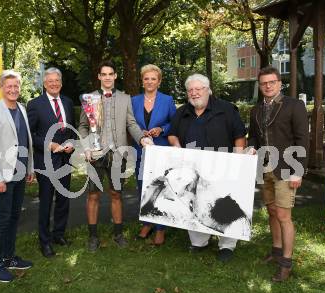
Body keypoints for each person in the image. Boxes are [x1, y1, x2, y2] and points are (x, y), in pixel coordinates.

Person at [167, 73, 246, 262]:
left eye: (198, 89)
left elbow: (239, 135)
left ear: (208, 90)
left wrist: (238, 159)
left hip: (223, 166)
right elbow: (172, 134)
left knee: (225, 203)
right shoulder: (182, 112)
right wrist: (178, 149)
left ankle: (226, 245)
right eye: (190, 90)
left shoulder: (226, 109)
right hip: (192, 169)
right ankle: (199, 242)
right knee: (195, 203)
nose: (194, 93)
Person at [78, 60, 152, 252]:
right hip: (95, 153)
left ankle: (118, 234)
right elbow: (83, 127)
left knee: (116, 194)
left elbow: (131, 124)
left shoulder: (125, 98)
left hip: (118, 153)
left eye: (111, 74)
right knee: (93, 195)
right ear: (99, 77)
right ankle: (93, 237)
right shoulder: (89, 98)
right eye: (104, 74)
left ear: (115, 76)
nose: (108, 77)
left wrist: (142, 138)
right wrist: (86, 147)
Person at [248, 66, 309, 282]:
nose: (268, 86)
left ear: (279, 83)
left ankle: (286, 262)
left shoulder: (294, 105)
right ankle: (275, 251)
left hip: (287, 168)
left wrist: (298, 171)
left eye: (271, 82)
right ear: (260, 85)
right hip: (265, 168)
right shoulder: (255, 110)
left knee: (284, 216)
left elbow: (302, 139)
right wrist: (252, 146)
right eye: (264, 83)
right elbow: (254, 136)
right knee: (272, 212)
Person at [0, 70, 34, 282]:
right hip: (3, 176)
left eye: (16, 86)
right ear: (2, 87)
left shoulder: (21, 108)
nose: (13, 90)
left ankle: (9, 257)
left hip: (20, 173)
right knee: (2, 219)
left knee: (14, 217)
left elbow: (26, 140)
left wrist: (29, 168)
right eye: (9, 86)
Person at [27, 67, 76, 258]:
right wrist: (49, 145)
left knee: (63, 199)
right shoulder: (34, 104)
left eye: (57, 80)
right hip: (46, 160)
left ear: (61, 83)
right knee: (46, 201)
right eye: (50, 81)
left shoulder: (68, 102)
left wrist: (72, 142)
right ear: (44, 84)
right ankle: (45, 241)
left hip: (65, 159)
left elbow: (70, 130)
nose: (54, 84)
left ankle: (59, 234)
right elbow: (30, 135)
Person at [131, 64, 177, 245]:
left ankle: (160, 229)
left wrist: (162, 129)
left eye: (153, 79)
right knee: (143, 188)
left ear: (159, 81)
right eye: (146, 78)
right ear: (142, 81)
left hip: (161, 152)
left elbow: (174, 123)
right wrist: (138, 133)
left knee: (160, 188)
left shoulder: (167, 100)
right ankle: (147, 223)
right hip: (140, 151)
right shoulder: (133, 101)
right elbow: (130, 124)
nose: (150, 82)